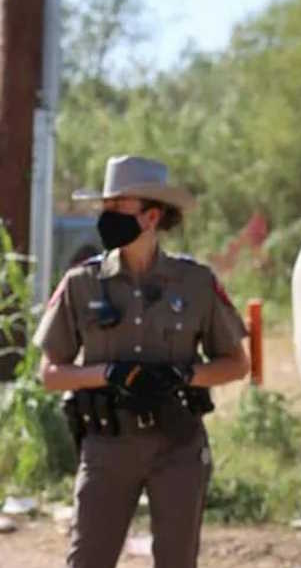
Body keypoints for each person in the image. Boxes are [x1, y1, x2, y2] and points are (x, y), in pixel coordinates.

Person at [35, 155, 250, 568]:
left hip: (179, 447)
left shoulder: (197, 282)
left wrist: (184, 374)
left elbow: (236, 364)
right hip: (107, 447)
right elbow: (50, 375)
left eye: (118, 208)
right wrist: (107, 374)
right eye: (106, 207)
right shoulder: (81, 283)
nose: (106, 217)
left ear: (151, 217)